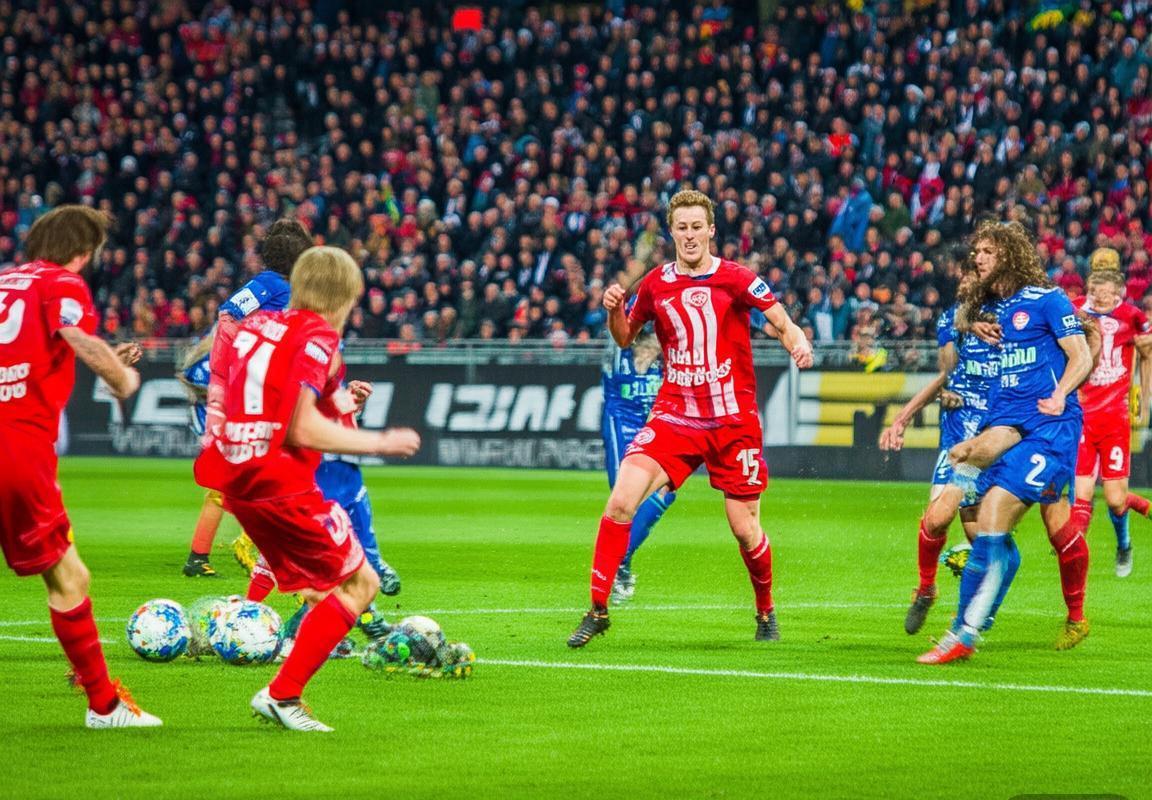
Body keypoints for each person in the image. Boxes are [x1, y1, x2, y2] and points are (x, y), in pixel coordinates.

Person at [566, 190, 813, 648]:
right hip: (675, 416)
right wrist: (615, 311)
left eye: (697, 226)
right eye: (682, 227)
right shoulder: (656, 284)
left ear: (711, 230)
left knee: (745, 529)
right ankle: (597, 610)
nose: (690, 235)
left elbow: (781, 321)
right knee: (620, 501)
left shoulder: (737, 278)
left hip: (732, 422)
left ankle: (765, 611)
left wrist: (798, 343)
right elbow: (625, 338)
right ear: (672, 232)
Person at [194, 246, 420, 731]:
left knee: (322, 590)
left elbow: (304, 398)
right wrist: (380, 442)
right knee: (362, 584)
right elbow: (301, 426)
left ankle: (269, 632)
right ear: (342, 299)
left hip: (237, 479)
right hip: (280, 483)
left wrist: (348, 400)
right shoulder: (318, 336)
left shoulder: (258, 327)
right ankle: (283, 695)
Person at [0, 205, 161, 728]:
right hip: (16, 449)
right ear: (83, 251)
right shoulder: (61, 283)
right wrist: (122, 379)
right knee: (70, 578)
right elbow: (76, 336)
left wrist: (104, 356)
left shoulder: (7, 281)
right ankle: (104, 705)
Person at [920, 220, 1092, 664]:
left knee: (1003, 514)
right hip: (1006, 423)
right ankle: (967, 623)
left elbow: (1081, 354)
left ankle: (966, 632)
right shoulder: (992, 307)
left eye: (988, 252)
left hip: (1050, 427)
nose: (977, 258)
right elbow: (956, 315)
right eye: (976, 251)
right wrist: (974, 325)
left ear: (1010, 255)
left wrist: (1061, 392)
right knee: (967, 467)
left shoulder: (1046, 299)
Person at [182, 219, 313, 577]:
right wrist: (235, 366)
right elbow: (229, 313)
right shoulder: (270, 284)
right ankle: (245, 545)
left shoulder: (290, 289)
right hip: (246, 391)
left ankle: (212, 553)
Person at [879, 264, 1000, 635]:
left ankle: (975, 613)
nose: (965, 287)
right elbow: (946, 373)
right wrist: (902, 418)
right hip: (956, 439)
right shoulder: (952, 319)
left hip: (992, 440)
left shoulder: (1008, 321)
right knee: (936, 520)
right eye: (962, 281)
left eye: (972, 281)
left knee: (980, 535)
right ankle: (927, 588)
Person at [1071, 252, 1152, 577]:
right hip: (1081, 416)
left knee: (1116, 500)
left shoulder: (1132, 316)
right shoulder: (1075, 309)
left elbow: (1146, 352)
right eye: (1097, 279)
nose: (1101, 293)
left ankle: (1124, 543)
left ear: (1118, 285)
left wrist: (1144, 397)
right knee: (1081, 496)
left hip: (1115, 418)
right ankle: (1072, 552)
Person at [602, 324, 675, 604]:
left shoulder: (666, 355)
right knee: (626, 502)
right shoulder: (618, 347)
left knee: (667, 491)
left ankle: (620, 561)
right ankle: (620, 566)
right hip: (621, 421)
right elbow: (618, 321)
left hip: (654, 424)